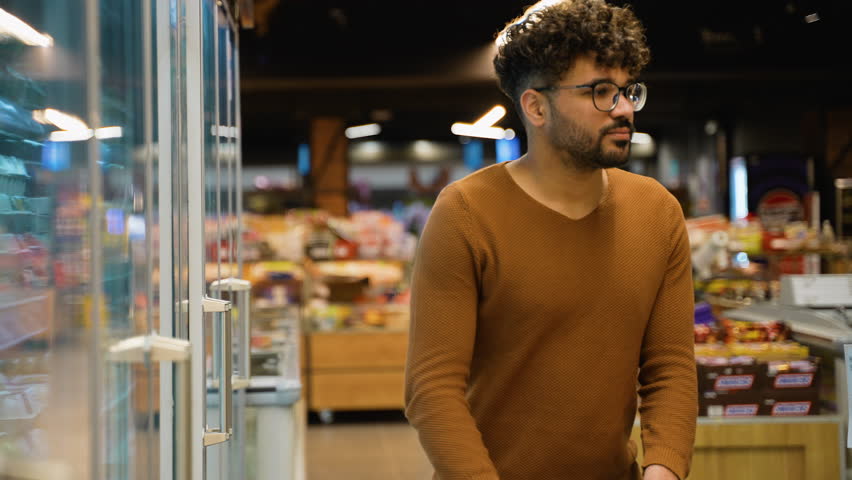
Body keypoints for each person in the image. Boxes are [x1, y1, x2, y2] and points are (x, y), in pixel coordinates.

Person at [404, 1, 697, 479]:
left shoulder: (656, 212)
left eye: (627, 91)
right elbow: (432, 388)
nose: (624, 109)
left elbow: (671, 368)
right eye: (601, 92)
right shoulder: (465, 213)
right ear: (536, 107)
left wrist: (664, 469)